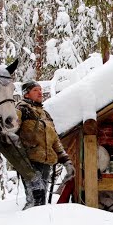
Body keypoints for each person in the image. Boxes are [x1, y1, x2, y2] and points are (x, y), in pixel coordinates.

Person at [16, 80, 76, 209]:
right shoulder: (21, 110)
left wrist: (66, 162)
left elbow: (55, 140)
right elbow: (10, 132)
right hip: (29, 162)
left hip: (46, 163)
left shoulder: (45, 114)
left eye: (40, 89)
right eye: (35, 90)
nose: (40, 92)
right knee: (35, 199)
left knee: (41, 202)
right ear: (26, 94)